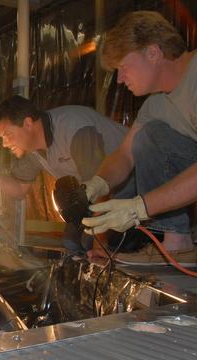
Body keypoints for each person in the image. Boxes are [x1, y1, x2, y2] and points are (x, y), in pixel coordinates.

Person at [81, 11, 197, 265]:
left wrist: (139, 209)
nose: (120, 80)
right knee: (148, 136)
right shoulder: (156, 104)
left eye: (123, 67)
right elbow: (125, 154)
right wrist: (99, 182)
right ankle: (177, 243)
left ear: (153, 53)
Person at [0, 95, 131, 253]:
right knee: (71, 242)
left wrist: (100, 246)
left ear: (27, 124)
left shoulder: (74, 128)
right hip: (98, 193)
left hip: (132, 185)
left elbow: (101, 185)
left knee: (91, 243)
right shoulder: (32, 149)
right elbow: (19, 189)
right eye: (2, 138)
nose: (4, 143)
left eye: (7, 134)